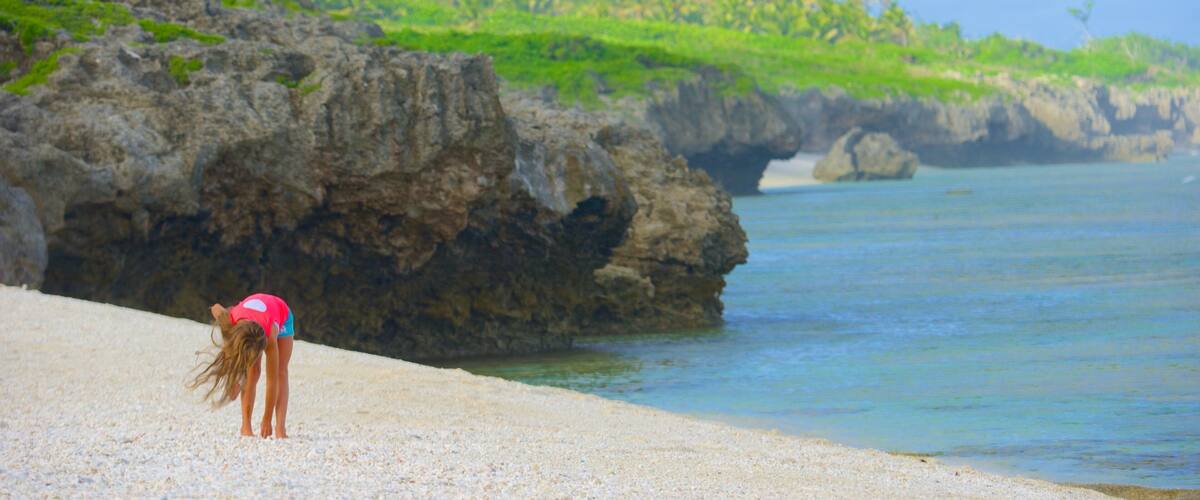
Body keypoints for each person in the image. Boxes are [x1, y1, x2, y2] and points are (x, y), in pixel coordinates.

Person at [188, 293, 296, 438]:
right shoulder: (231, 320)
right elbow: (215, 307)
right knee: (253, 371)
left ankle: (280, 429)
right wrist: (234, 376)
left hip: (280, 311)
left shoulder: (270, 335)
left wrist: (267, 419)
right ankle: (246, 426)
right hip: (249, 317)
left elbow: (272, 381)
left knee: (280, 372)